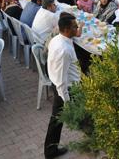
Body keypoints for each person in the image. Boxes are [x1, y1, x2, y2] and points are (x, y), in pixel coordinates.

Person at [44, 12, 81, 159]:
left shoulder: (60, 39)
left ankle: (51, 150)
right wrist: (67, 101)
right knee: (57, 120)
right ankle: (50, 151)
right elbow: (61, 80)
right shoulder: (63, 49)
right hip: (65, 89)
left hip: (66, 84)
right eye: (75, 27)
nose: (77, 28)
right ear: (66, 29)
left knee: (57, 120)